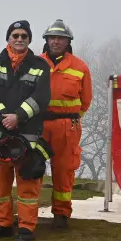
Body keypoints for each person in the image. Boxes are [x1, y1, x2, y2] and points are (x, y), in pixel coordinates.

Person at [0, 20, 51, 241]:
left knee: (28, 184)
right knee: (0, 185)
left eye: (24, 36)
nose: (19, 39)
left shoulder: (40, 65)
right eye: (15, 35)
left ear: (29, 39)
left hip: (27, 135)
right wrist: (3, 118)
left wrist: (18, 117)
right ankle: (2, 224)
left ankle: (26, 227)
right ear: (8, 38)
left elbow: (41, 97)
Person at [39, 20, 93, 228]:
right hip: (39, 125)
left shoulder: (80, 67)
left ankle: (61, 214)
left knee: (64, 170)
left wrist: (70, 119)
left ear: (68, 41)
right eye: (52, 38)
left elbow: (85, 101)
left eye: (60, 38)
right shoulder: (35, 63)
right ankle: (29, 214)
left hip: (67, 127)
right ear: (46, 40)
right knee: (32, 168)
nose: (56, 41)